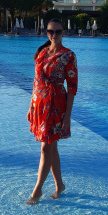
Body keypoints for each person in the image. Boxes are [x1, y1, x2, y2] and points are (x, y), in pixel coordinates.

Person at [26, 18, 78, 204]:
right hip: (40, 105)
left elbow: (72, 88)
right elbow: (36, 82)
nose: (54, 35)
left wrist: (67, 116)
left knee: (46, 147)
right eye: (50, 31)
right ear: (46, 32)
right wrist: (31, 106)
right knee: (52, 147)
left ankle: (37, 190)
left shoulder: (68, 56)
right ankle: (59, 185)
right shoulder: (41, 52)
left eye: (57, 31)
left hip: (56, 106)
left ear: (63, 33)